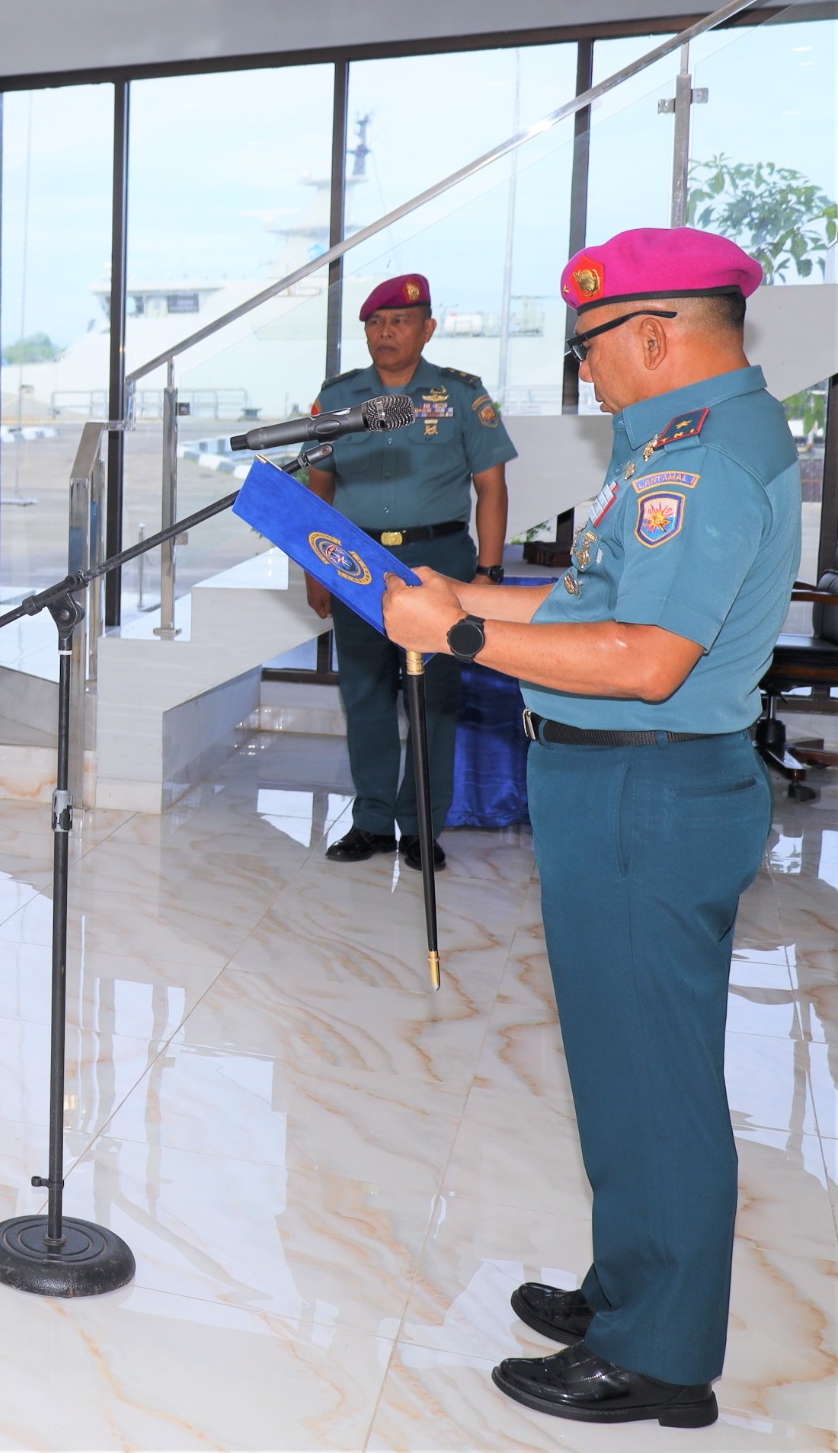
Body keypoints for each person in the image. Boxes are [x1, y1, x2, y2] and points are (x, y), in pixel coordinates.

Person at [381, 228, 786, 1431]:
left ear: (651, 335)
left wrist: (458, 636)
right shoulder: (675, 440)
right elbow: (588, 599)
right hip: (624, 782)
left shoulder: (700, 460)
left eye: (589, 348)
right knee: (621, 1065)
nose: (586, 373)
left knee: (653, 1077)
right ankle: (629, 1286)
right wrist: (463, 594)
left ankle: (659, 1355)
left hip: (642, 786)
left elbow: (643, 658)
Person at [306, 273, 515, 869]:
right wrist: (315, 569)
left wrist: (488, 572)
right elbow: (319, 487)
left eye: (399, 321)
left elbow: (492, 488)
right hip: (356, 561)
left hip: (438, 561)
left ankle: (422, 827)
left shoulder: (460, 395)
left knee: (434, 701)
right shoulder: (339, 397)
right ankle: (372, 822)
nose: (385, 332)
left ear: (427, 329)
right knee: (365, 695)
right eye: (375, 322)